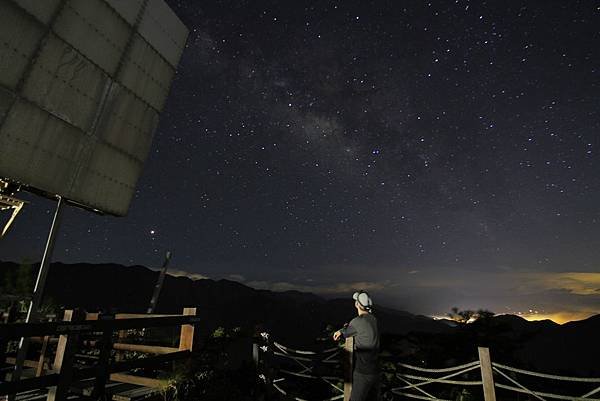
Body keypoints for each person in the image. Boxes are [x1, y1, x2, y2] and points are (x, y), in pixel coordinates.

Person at [333, 291, 380, 401]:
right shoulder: (373, 319)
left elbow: (344, 333)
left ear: (357, 304)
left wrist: (339, 331)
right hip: (376, 370)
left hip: (363, 371)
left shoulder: (356, 322)